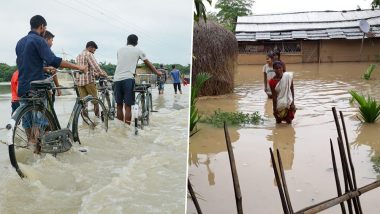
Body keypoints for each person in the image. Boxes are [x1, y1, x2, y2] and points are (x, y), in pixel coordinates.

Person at [15, 15, 87, 152]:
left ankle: (30, 147)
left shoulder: (20, 42)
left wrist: (44, 68)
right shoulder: (39, 40)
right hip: (38, 87)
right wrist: (78, 67)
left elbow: (23, 64)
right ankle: (39, 150)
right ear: (42, 27)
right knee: (39, 121)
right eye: (45, 28)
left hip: (22, 86)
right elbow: (53, 60)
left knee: (27, 120)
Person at [114, 34, 162, 124]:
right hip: (128, 79)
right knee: (128, 106)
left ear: (127, 41)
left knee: (119, 105)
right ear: (136, 42)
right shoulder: (138, 50)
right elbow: (148, 63)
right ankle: (127, 129)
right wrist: (157, 72)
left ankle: (120, 129)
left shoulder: (119, 50)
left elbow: (123, 63)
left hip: (116, 79)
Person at [76, 41, 108, 116]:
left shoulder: (79, 55)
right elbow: (95, 66)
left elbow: (86, 69)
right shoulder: (88, 54)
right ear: (90, 47)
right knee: (95, 101)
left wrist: (96, 73)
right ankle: (97, 118)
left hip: (80, 82)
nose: (94, 52)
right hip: (89, 81)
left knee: (83, 103)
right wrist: (103, 74)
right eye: (94, 50)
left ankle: (85, 121)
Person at [42, 30, 61, 103]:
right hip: (47, 84)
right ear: (46, 39)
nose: (52, 43)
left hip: (33, 84)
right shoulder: (48, 52)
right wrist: (58, 87)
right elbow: (54, 72)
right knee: (49, 110)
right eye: (51, 40)